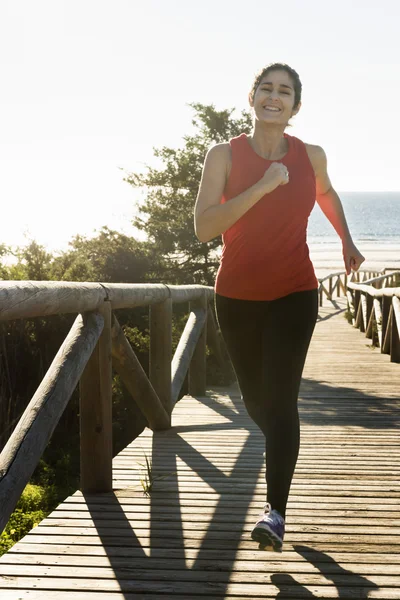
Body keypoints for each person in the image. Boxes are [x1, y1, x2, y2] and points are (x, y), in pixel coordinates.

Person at [194, 62, 365, 552]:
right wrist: (264, 186)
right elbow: (205, 228)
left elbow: (326, 194)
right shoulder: (223, 156)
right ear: (252, 98)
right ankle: (283, 444)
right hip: (237, 296)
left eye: (284, 91)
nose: (274, 96)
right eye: (266, 88)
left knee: (282, 398)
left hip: (295, 291)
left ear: (295, 107)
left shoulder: (311, 155)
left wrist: (347, 241)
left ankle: (275, 513)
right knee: (257, 402)